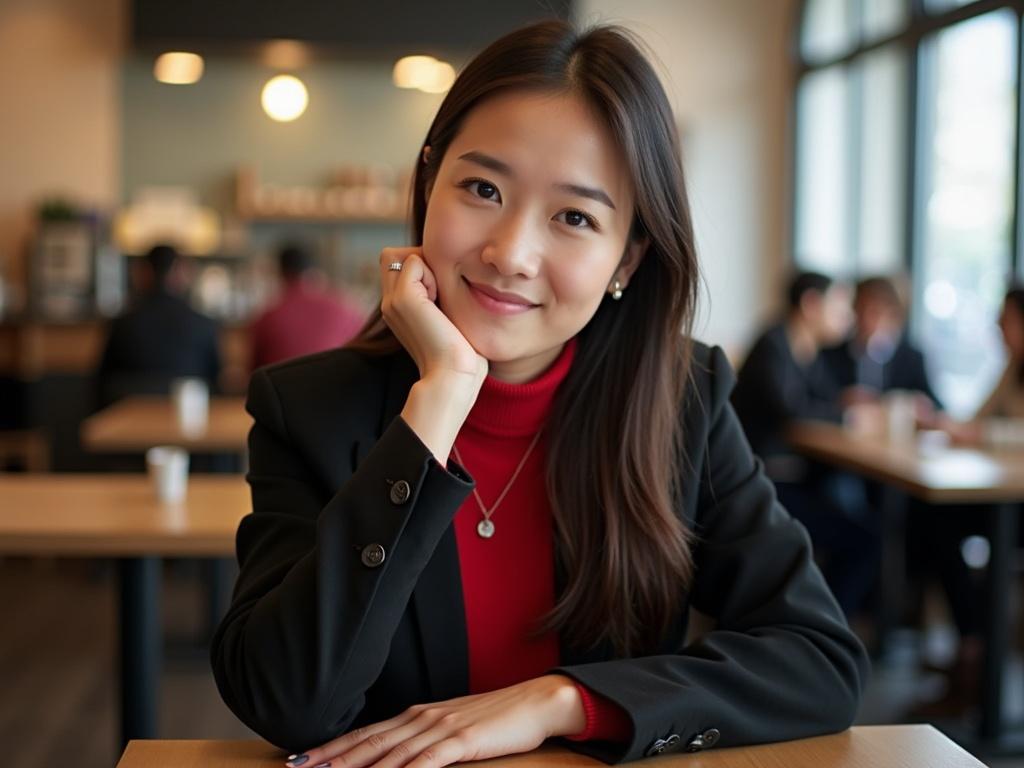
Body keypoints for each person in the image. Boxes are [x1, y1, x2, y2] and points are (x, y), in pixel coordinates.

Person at [211, 21, 869, 767]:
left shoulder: (684, 400)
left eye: (574, 217)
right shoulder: (309, 408)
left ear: (628, 257)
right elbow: (289, 701)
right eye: (482, 188)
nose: (510, 253)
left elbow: (819, 659)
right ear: (428, 184)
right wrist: (439, 401)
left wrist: (562, 700)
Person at [732, 273, 880, 619]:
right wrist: (848, 418)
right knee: (865, 538)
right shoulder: (773, 344)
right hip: (760, 484)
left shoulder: (805, 350)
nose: (847, 316)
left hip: (791, 476)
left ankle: (815, 621)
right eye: (839, 306)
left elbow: (823, 399)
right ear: (812, 304)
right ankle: (823, 626)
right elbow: (791, 410)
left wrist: (847, 405)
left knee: (862, 514)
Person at [96, 243, 221, 407]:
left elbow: (100, 384)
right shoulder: (204, 324)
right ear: (180, 272)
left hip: (129, 421)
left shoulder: (122, 324)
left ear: (142, 272)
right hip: (188, 422)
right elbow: (217, 385)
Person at [821, 276, 942, 418]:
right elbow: (816, 401)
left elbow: (935, 406)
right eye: (861, 309)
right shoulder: (830, 354)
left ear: (891, 314)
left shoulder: (911, 358)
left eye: (875, 311)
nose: (866, 318)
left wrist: (908, 404)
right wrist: (840, 400)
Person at [249, 242, 367, 370]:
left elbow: (253, 372)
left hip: (285, 387)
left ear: (280, 273)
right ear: (315, 270)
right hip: (337, 386)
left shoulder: (269, 317)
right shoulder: (346, 310)